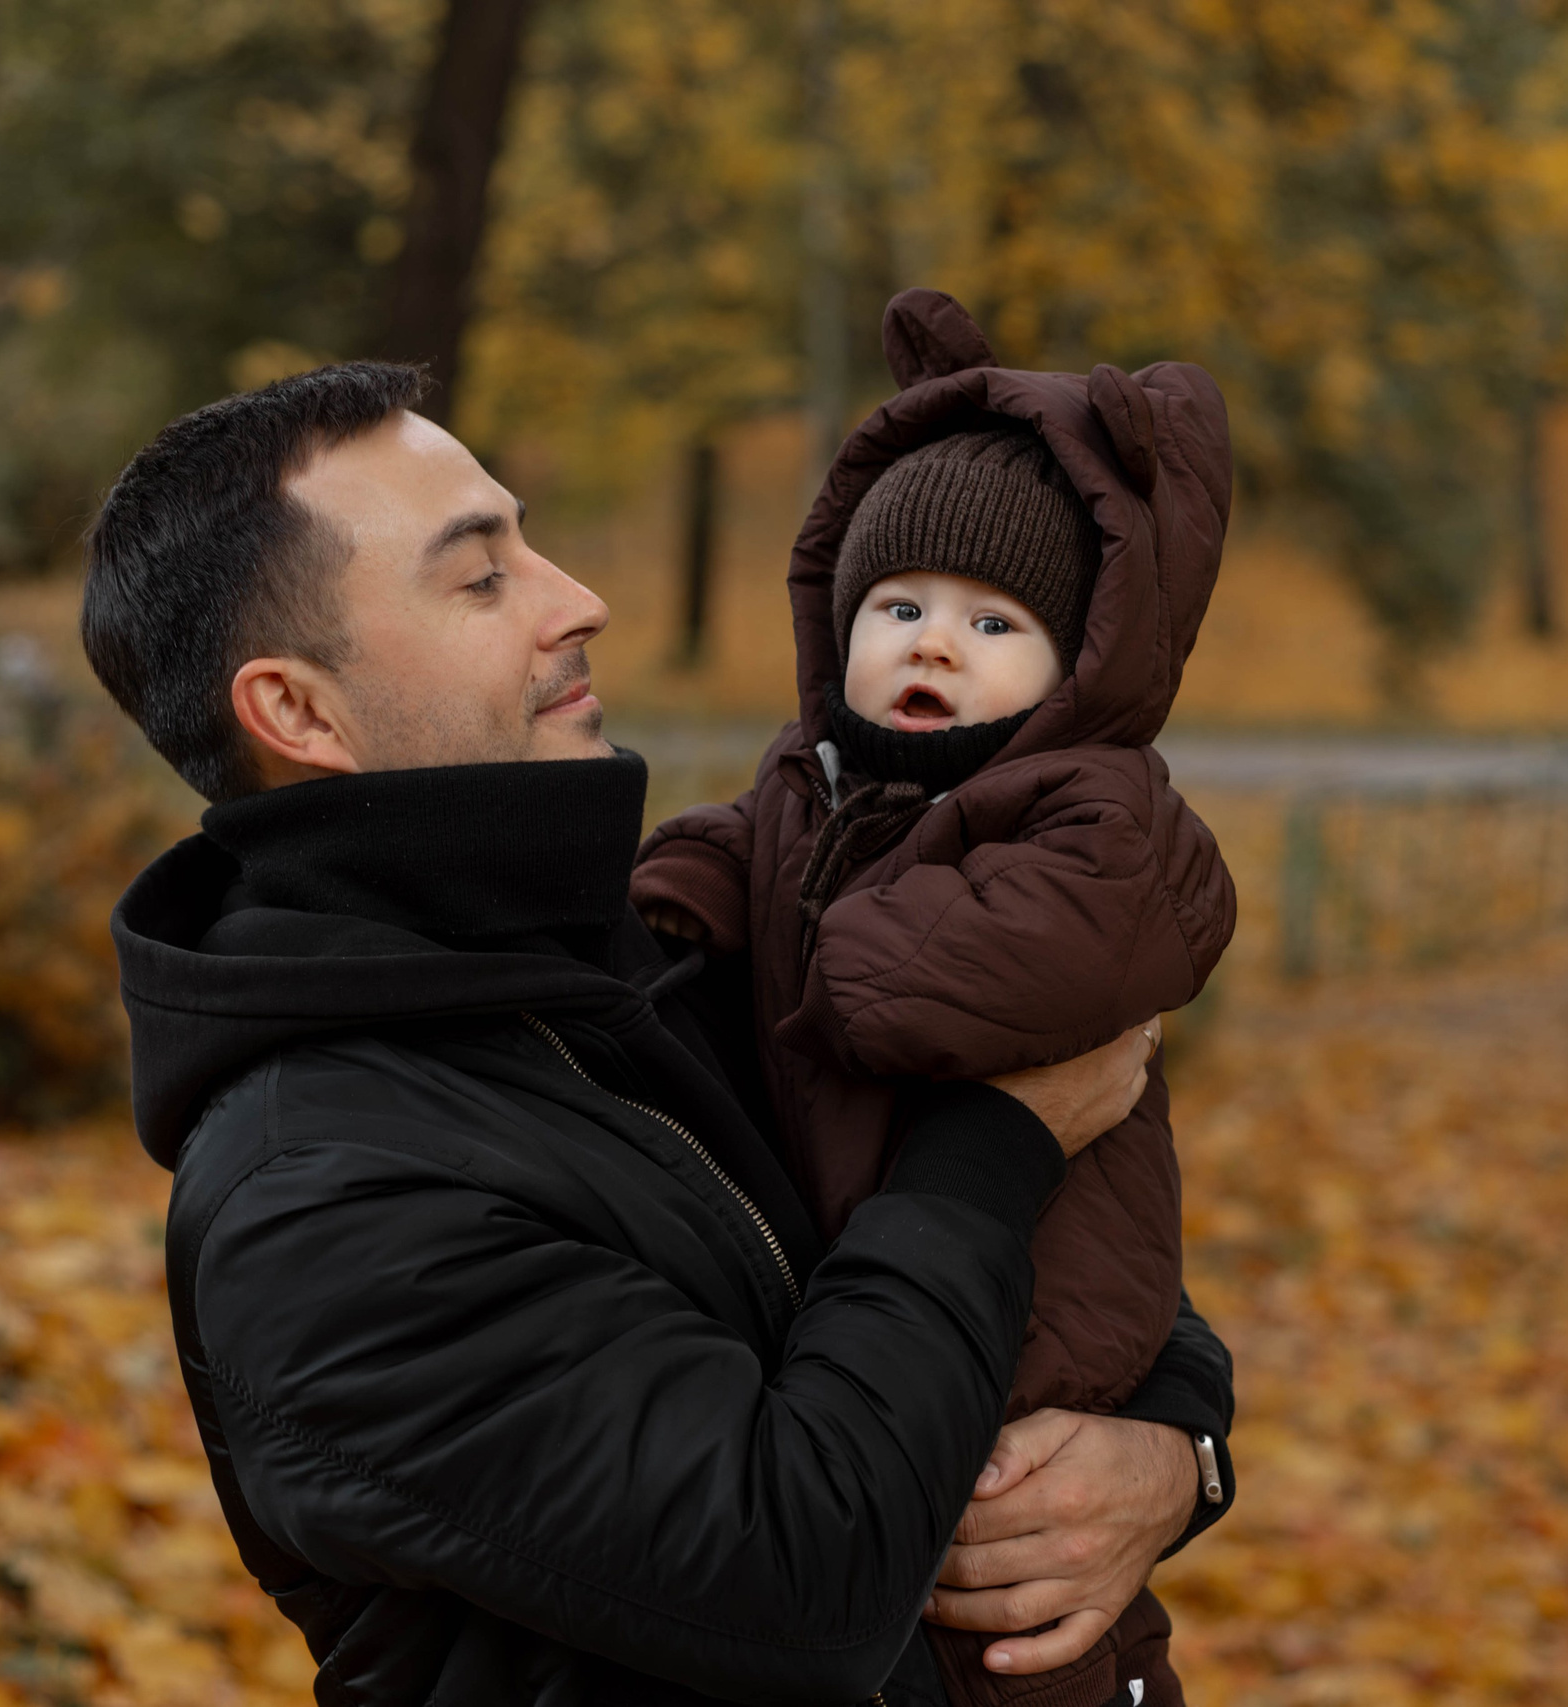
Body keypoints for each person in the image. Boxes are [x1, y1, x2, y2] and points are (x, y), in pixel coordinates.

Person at [81, 358, 1238, 1706]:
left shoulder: (627, 952)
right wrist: (998, 1138)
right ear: (296, 711)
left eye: (534, 545)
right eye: (481, 576)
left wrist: (1176, 1445)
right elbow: (805, 1576)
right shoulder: (324, 1204)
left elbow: (1027, 1239)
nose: (581, 601)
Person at [631, 290, 1235, 1707]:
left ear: (1083, 661)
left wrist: (846, 949)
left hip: (1045, 1298)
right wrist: (684, 896)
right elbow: (745, 848)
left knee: (1015, 1595)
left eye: (992, 620)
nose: (932, 644)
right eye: (897, 608)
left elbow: (1007, 960)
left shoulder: (1098, 810)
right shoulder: (820, 781)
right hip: (882, 1285)